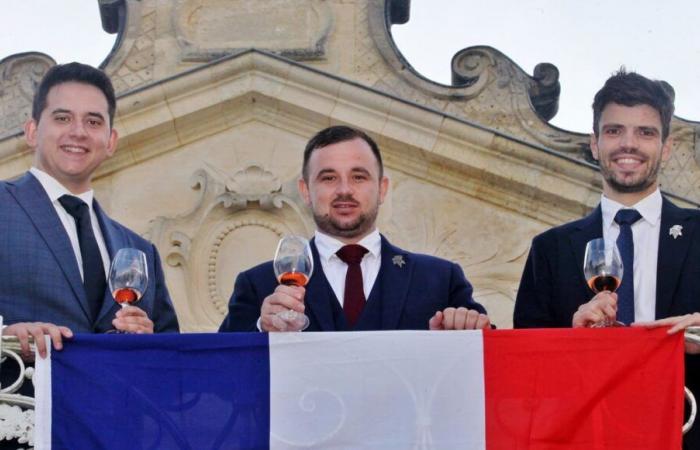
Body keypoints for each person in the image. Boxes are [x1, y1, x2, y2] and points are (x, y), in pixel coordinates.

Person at [513, 69, 700, 447]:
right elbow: (526, 374)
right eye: (614, 131)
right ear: (595, 143)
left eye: (645, 132)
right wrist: (572, 338)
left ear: (665, 147)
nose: (628, 145)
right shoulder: (550, 249)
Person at [219, 125, 490, 332]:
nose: (344, 190)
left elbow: (495, 362)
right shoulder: (258, 286)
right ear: (305, 191)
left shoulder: (441, 280)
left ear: (382, 189)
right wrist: (259, 331)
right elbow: (216, 374)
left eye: (359, 177)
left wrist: (467, 330)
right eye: (328, 178)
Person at [0, 62, 179, 360]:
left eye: (94, 122)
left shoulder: (140, 249)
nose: (78, 132)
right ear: (31, 131)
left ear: (110, 142)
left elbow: (171, 358)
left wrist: (147, 341)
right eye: (62, 118)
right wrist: (5, 339)